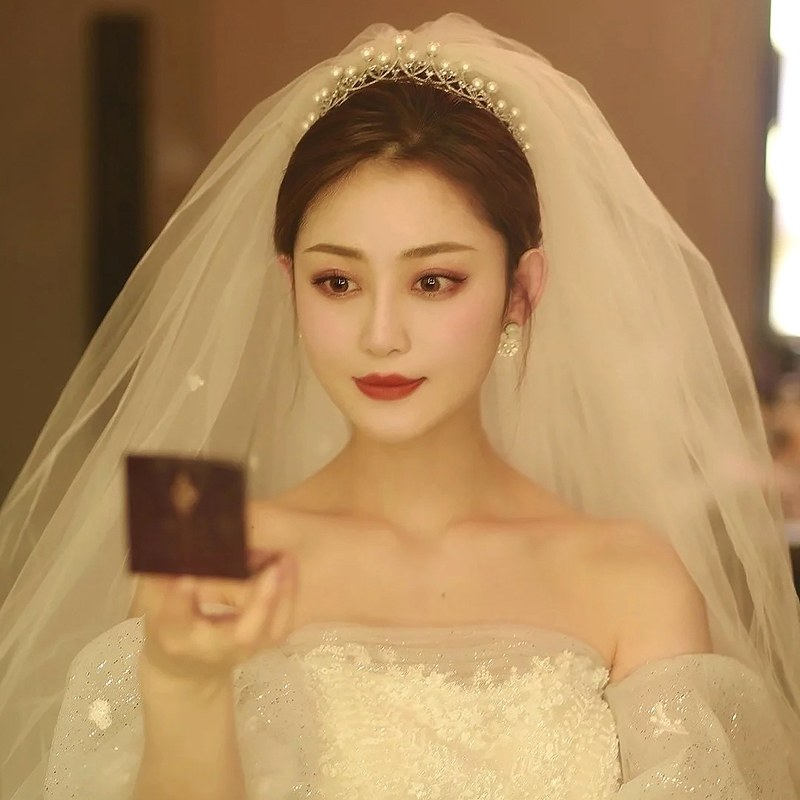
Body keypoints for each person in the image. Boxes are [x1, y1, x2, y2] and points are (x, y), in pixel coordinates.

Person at [1, 13, 799, 799]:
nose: (380, 335)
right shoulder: (214, 565)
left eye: (433, 281)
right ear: (290, 286)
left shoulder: (635, 582)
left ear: (521, 292)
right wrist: (186, 684)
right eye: (338, 282)